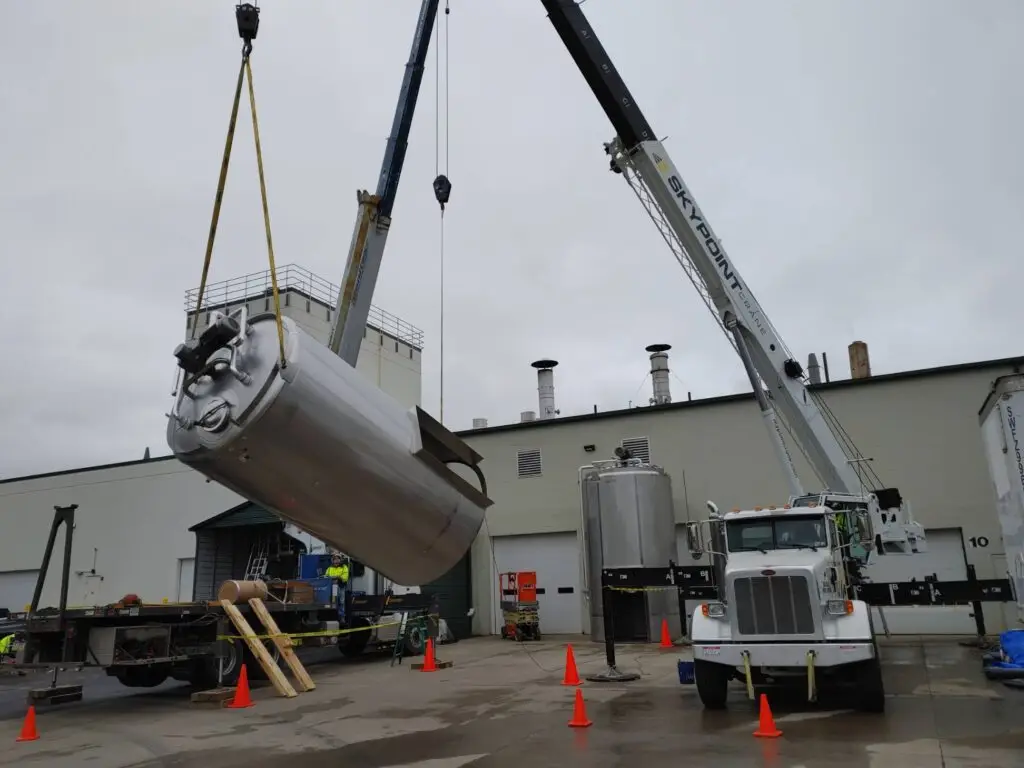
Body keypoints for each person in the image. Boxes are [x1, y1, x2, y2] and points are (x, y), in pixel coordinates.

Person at [325, 554, 350, 620]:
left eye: (337, 559)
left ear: (340, 560)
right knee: (333, 602)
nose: (336, 561)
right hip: (332, 588)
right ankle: (334, 616)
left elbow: (345, 577)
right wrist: (332, 578)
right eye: (334, 559)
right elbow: (326, 576)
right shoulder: (329, 568)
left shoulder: (344, 567)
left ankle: (342, 617)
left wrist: (338, 577)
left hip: (341, 586)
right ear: (332, 561)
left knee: (341, 601)